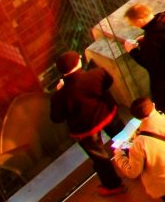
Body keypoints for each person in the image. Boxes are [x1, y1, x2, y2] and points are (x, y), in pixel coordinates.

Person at [49, 50, 124, 196]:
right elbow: (108, 82)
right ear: (78, 62)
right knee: (123, 138)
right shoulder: (97, 74)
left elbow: (56, 118)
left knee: (100, 159)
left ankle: (113, 185)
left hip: (85, 129)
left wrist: (60, 92)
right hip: (106, 114)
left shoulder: (60, 96)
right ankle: (138, 161)